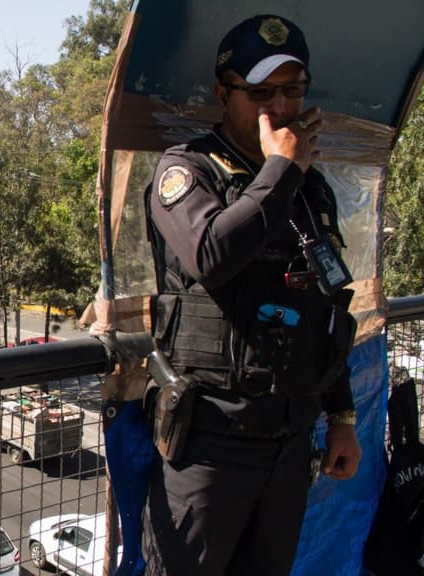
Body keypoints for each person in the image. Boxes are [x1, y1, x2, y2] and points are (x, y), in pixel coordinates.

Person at [142, 14, 362, 575]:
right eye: (260, 93)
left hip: (290, 446)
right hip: (211, 446)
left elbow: (328, 306)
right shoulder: (187, 169)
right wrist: (281, 168)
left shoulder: (309, 188)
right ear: (225, 94)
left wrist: (342, 418)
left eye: (292, 91)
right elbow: (211, 254)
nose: (280, 108)